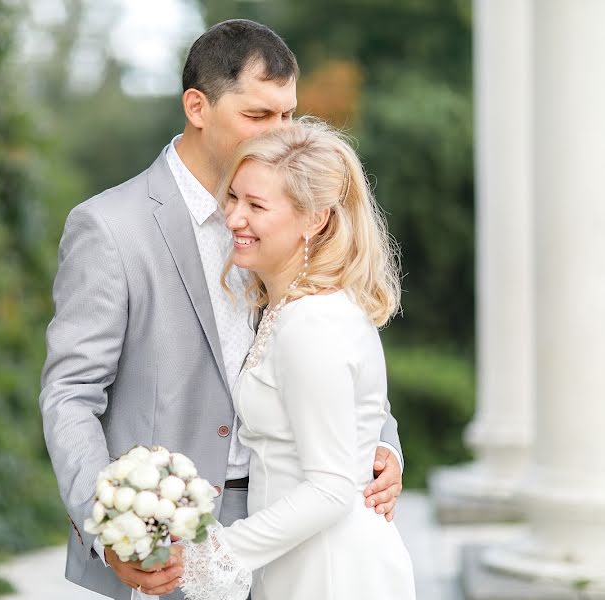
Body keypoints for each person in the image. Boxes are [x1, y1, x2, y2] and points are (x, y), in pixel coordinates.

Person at [40, 20, 405, 600]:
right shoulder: (110, 229)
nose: (281, 134)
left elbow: (336, 336)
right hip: (172, 542)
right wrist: (107, 526)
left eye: (289, 115)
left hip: (298, 527)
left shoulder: (296, 215)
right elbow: (71, 394)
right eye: (259, 117)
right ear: (197, 107)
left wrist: (381, 441)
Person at [178, 118, 415, 600]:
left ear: (315, 219)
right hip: (298, 561)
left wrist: (217, 554)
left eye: (256, 205)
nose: (234, 218)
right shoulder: (287, 309)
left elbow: (330, 488)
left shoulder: (313, 326)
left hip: (332, 571)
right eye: (233, 198)